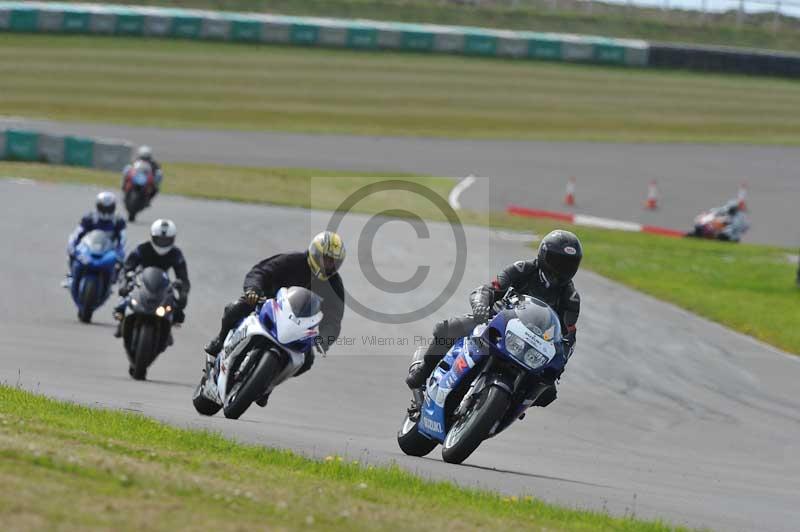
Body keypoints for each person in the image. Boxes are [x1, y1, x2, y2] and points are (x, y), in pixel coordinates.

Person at [406, 229, 582, 408]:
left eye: (568, 265)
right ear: (543, 255)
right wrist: (480, 305)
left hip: (532, 345)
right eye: (557, 261)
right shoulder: (523, 268)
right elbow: (489, 288)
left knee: (546, 392)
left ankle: (504, 411)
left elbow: (569, 336)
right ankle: (423, 371)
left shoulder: (571, 298)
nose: (561, 269)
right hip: (496, 324)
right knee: (448, 328)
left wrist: (560, 362)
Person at [203, 231, 346, 404]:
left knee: (307, 361)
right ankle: (220, 339)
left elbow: (334, 320)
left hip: (298, 327)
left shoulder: (334, 285)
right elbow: (261, 271)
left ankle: (266, 385)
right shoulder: (292, 260)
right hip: (268, 305)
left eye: (334, 261)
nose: (329, 265)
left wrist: (324, 340)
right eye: (326, 259)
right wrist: (253, 290)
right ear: (315, 253)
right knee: (235, 308)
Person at [113, 219, 190, 336]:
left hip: (163, 284)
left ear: (173, 239)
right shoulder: (142, 248)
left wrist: (182, 292)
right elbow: (127, 267)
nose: (162, 243)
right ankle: (122, 319)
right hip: (141, 281)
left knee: (178, 314)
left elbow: (183, 278)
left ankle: (167, 329)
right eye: (159, 239)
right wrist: (124, 282)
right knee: (123, 300)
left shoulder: (176, 254)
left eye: (166, 240)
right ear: (152, 236)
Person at [63, 191, 126, 286]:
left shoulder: (118, 221)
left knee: (120, 263)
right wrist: (72, 245)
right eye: (103, 208)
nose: (106, 211)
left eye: (108, 208)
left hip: (108, 251)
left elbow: (123, 239)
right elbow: (77, 233)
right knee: (72, 254)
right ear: (98, 207)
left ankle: (112, 280)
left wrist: (120, 253)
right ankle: (72, 275)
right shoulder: (89, 218)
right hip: (89, 248)